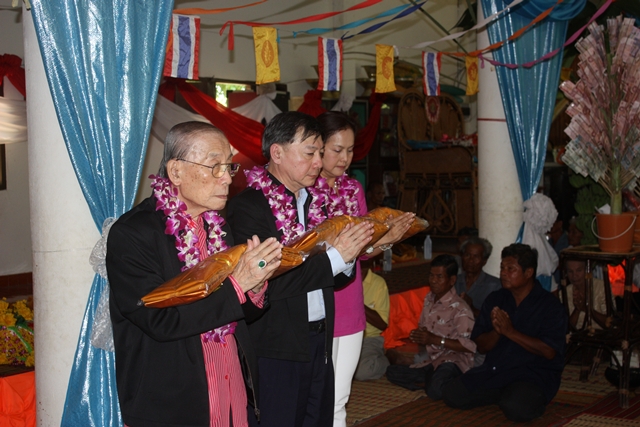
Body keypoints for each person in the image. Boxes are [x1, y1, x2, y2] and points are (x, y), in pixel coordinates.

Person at [107, 122, 283, 427]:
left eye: (229, 166)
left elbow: (235, 312)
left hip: (231, 390)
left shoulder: (218, 228)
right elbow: (159, 320)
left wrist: (255, 286)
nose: (227, 177)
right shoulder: (133, 234)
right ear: (176, 171)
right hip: (175, 402)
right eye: (215, 166)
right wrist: (239, 284)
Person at [226, 111, 374, 427]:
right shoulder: (249, 207)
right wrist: (337, 257)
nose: (318, 162)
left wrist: (349, 254)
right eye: (309, 153)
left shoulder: (314, 202)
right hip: (277, 346)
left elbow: (331, 277)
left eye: (320, 153)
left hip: (320, 338)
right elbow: (271, 281)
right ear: (277, 152)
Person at [314, 111, 414, 427]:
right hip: (316, 300)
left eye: (350, 150)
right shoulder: (302, 190)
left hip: (349, 300)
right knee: (315, 397)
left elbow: (363, 253)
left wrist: (388, 239)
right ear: (317, 147)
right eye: (337, 150)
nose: (345, 158)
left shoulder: (353, 189)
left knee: (339, 397)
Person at [442, 244, 568, 423]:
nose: (503, 273)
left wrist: (510, 332)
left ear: (528, 272)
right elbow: (481, 346)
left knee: (517, 410)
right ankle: (503, 395)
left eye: (511, 269)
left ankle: (515, 397)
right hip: (497, 370)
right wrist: (497, 332)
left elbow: (549, 351)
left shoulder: (549, 305)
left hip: (531, 374)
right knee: (452, 393)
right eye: (502, 268)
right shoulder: (496, 299)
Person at [386, 254, 476, 400]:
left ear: (452, 280)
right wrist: (419, 335)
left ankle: (434, 382)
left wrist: (434, 339)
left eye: (439, 277)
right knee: (392, 372)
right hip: (433, 359)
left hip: (453, 360)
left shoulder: (460, 309)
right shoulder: (429, 299)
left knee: (435, 390)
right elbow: (425, 330)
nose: (433, 281)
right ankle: (431, 381)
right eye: (431, 275)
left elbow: (468, 346)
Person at [354, 270, 391, 381]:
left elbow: (382, 324)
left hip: (368, 339)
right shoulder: (341, 278)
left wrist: (356, 303)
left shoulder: (378, 283)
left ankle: (386, 359)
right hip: (343, 337)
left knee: (362, 372)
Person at [455, 237, 502, 317]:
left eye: (476, 257)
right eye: (467, 255)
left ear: (484, 261)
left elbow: (494, 319)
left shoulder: (495, 286)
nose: (470, 260)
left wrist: (471, 307)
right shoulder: (453, 282)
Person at [564, 259, 608, 330]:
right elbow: (565, 330)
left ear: (587, 270)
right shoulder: (564, 293)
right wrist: (577, 310)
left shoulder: (602, 287)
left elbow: (610, 323)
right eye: (570, 271)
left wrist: (587, 308)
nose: (574, 275)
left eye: (579, 270)